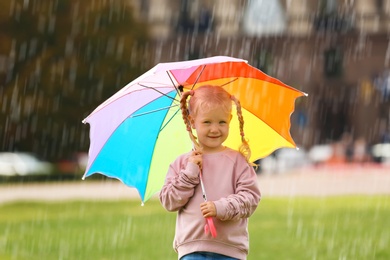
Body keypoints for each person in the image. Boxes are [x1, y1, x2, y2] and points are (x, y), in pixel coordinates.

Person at [159, 85, 261, 260]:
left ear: (230, 120)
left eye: (222, 122)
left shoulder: (238, 161)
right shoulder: (182, 163)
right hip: (192, 250)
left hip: (229, 250)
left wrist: (220, 208)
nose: (215, 129)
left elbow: (250, 199)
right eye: (207, 122)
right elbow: (169, 201)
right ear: (192, 122)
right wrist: (190, 173)